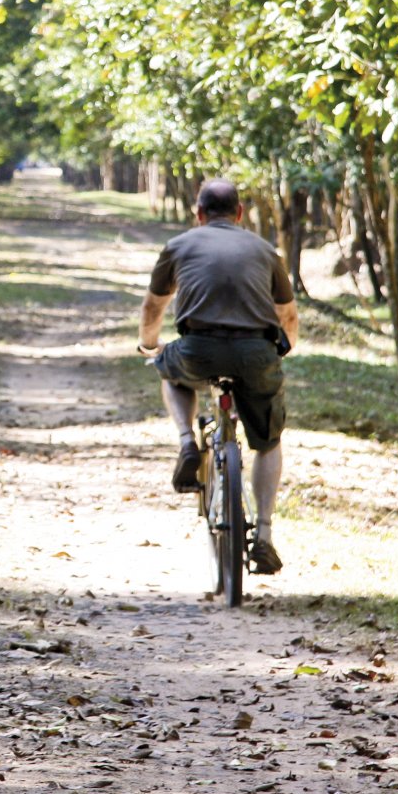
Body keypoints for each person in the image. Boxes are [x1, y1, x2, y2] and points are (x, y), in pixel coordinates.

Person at [137, 178, 299, 575]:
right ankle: (262, 533)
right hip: (256, 352)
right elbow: (288, 315)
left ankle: (187, 442)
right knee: (268, 441)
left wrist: (149, 346)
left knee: (170, 372)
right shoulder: (265, 250)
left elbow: (153, 307)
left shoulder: (178, 246)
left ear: (198, 214)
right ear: (240, 214)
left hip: (199, 349)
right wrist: (283, 349)